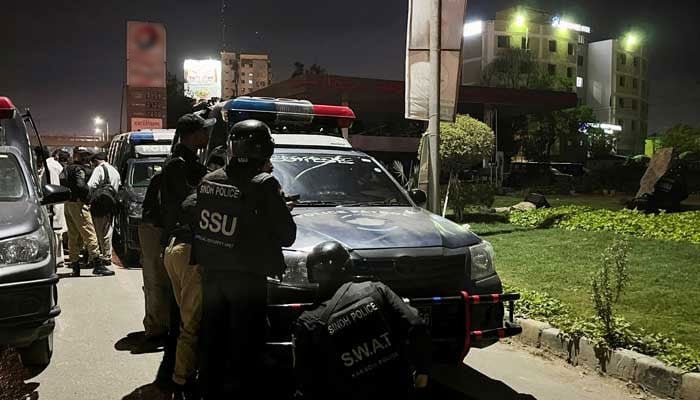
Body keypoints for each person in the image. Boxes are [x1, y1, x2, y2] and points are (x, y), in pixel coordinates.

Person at [193, 119, 296, 399]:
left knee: (214, 337)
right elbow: (287, 235)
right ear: (264, 150)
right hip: (247, 278)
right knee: (246, 344)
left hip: (212, 275)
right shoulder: (264, 184)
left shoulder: (209, 180)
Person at [292, 241, 431, 400]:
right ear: (348, 266)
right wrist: (422, 371)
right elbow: (416, 325)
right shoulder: (376, 289)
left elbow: (305, 379)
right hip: (396, 390)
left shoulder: (308, 321)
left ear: (311, 274)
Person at [159, 113, 213, 398]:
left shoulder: (181, 161)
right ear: (193, 135)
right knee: (191, 323)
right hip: (186, 247)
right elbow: (189, 203)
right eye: (204, 132)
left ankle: (179, 373)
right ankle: (182, 383)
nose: (207, 136)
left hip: (176, 247)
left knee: (184, 318)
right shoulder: (180, 165)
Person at [62, 149, 114, 277]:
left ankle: (75, 266)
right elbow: (81, 186)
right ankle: (97, 264)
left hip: (68, 203)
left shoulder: (67, 168)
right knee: (90, 234)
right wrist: (88, 196)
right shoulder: (79, 170)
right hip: (79, 205)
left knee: (73, 236)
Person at [136, 172, 170, 350]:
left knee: (157, 282)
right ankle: (156, 329)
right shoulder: (168, 177)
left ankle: (159, 326)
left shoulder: (163, 176)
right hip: (156, 228)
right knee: (155, 282)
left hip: (159, 228)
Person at [87, 152, 120, 267]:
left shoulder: (99, 170)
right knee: (108, 230)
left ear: (96, 161)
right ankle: (107, 255)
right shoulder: (114, 170)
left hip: (99, 204)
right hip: (111, 203)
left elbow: (91, 185)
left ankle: (97, 256)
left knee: (97, 231)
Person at [46, 149, 69, 266]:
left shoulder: (50, 165)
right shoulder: (54, 167)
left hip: (52, 204)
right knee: (57, 232)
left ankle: (57, 258)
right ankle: (57, 259)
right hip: (55, 204)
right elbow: (55, 185)